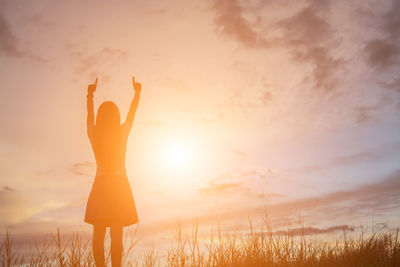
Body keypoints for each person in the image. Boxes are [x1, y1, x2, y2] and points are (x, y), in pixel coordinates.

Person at [84, 77, 141, 267]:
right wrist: (137, 93)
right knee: (116, 235)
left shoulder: (94, 134)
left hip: (101, 186)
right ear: (116, 116)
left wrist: (90, 96)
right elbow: (132, 114)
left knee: (98, 235)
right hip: (119, 187)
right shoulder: (122, 132)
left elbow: (90, 118)